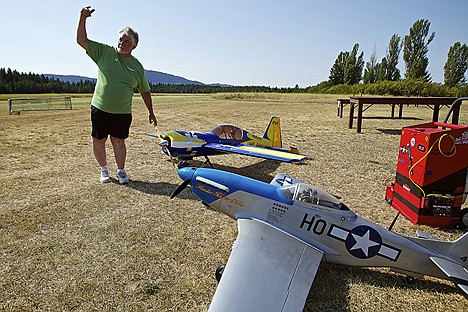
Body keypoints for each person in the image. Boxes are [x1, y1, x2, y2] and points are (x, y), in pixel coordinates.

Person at [76, 6, 157, 184]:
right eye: (121, 39)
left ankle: (121, 171)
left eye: (127, 41)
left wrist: (151, 112)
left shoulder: (137, 66)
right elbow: (81, 40)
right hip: (100, 108)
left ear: (134, 45)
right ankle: (104, 170)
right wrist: (83, 18)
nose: (122, 43)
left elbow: (145, 90)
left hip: (122, 112)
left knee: (119, 142)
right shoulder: (104, 52)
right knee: (99, 140)